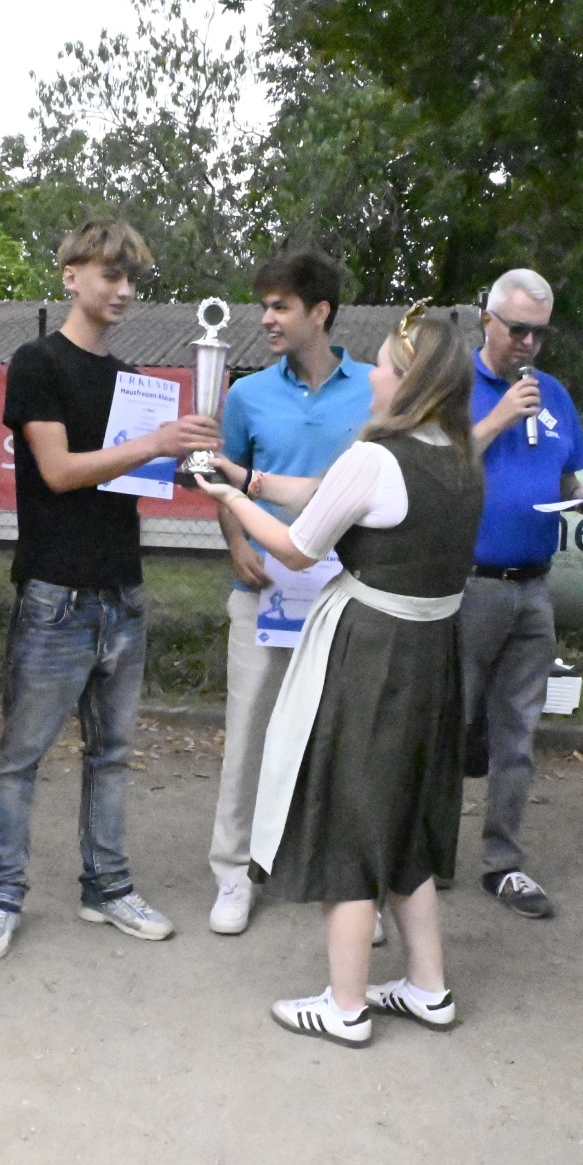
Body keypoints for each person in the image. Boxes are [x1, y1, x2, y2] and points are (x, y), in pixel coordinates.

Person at [197, 309, 483, 1047]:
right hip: (432, 652)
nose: (374, 375)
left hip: (372, 651)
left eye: (385, 364)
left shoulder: (378, 456)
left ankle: (346, 1003)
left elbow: (298, 546)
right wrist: (247, 475)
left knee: (350, 813)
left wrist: (230, 499)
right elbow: (329, 494)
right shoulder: (460, 456)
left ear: (410, 379)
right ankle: (428, 986)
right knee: (405, 815)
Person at [0, 219, 221, 962]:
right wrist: (154, 443)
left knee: (111, 756)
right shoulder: (36, 361)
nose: (124, 289)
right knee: (21, 758)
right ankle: (1, 896)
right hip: (55, 595)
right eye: (111, 273)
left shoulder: (133, 379)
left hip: (122, 592)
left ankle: (106, 887)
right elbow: (59, 471)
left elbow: (138, 475)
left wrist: (190, 460)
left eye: (132, 277)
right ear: (70, 274)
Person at [204, 251, 373, 937]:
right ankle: (234, 872)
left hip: (349, 592)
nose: (266, 319)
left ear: (320, 312)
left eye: (281, 306)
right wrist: (237, 545)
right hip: (266, 588)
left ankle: (351, 885)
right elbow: (227, 478)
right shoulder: (246, 395)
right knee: (249, 733)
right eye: (264, 306)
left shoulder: (374, 389)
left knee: (348, 740)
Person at [458, 269, 583, 920]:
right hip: (467, 583)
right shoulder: (453, 385)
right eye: (517, 329)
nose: (528, 343)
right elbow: (433, 466)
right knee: (446, 725)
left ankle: (503, 863)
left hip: (534, 586)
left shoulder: (555, 395)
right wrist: (496, 418)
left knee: (517, 735)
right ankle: (422, 855)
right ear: (487, 320)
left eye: (539, 334)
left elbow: (568, 473)